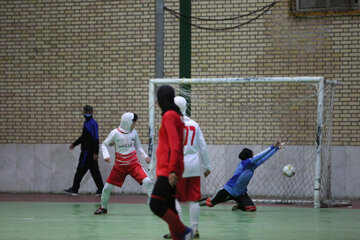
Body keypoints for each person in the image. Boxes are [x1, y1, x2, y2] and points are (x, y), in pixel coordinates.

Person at [149, 85, 194, 240]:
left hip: (169, 168)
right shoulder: (177, 115)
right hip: (173, 165)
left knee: (155, 204)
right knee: (169, 206)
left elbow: (175, 145)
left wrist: (172, 170)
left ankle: (184, 231)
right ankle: (179, 237)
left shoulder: (169, 115)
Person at [163, 96, 211, 239]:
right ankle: (194, 229)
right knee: (193, 199)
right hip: (194, 165)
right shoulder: (194, 124)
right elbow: (202, 147)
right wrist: (206, 166)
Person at [94, 112, 153, 214]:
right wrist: (106, 155)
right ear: (128, 122)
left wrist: (145, 156)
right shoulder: (115, 133)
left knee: (148, 182)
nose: (134, 124)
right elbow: (104, 144)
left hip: (134, 164)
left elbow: (138, 146)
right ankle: (103, 208)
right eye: (134, 122)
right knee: (107, 189)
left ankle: (155, 207)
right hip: (119, 167)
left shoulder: (134, 132)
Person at [199, 140, 283, 211]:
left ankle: (239, 205)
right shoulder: (245, 163)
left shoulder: (252, 166)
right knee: (210, 203)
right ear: (249, 156)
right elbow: (260, 156)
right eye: (253, 154)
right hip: (228, 190)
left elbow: (264, 158)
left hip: (240, 193)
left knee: (252, 208)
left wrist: (276, 149)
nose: (254, 154)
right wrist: (272, 146)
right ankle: (195, 203)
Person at [64, 105, 104, 196]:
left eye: (89, 113)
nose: (87, 114)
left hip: (87, 153)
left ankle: (74, 189)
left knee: (80, 171)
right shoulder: (86, 123)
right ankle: (101, 189)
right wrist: (74, 144)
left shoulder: (93, 124)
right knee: (95, 171)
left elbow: (95, 139)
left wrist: (95, 152)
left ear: (92, 113)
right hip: (87, 152)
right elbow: (83, 137)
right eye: (85, 112)